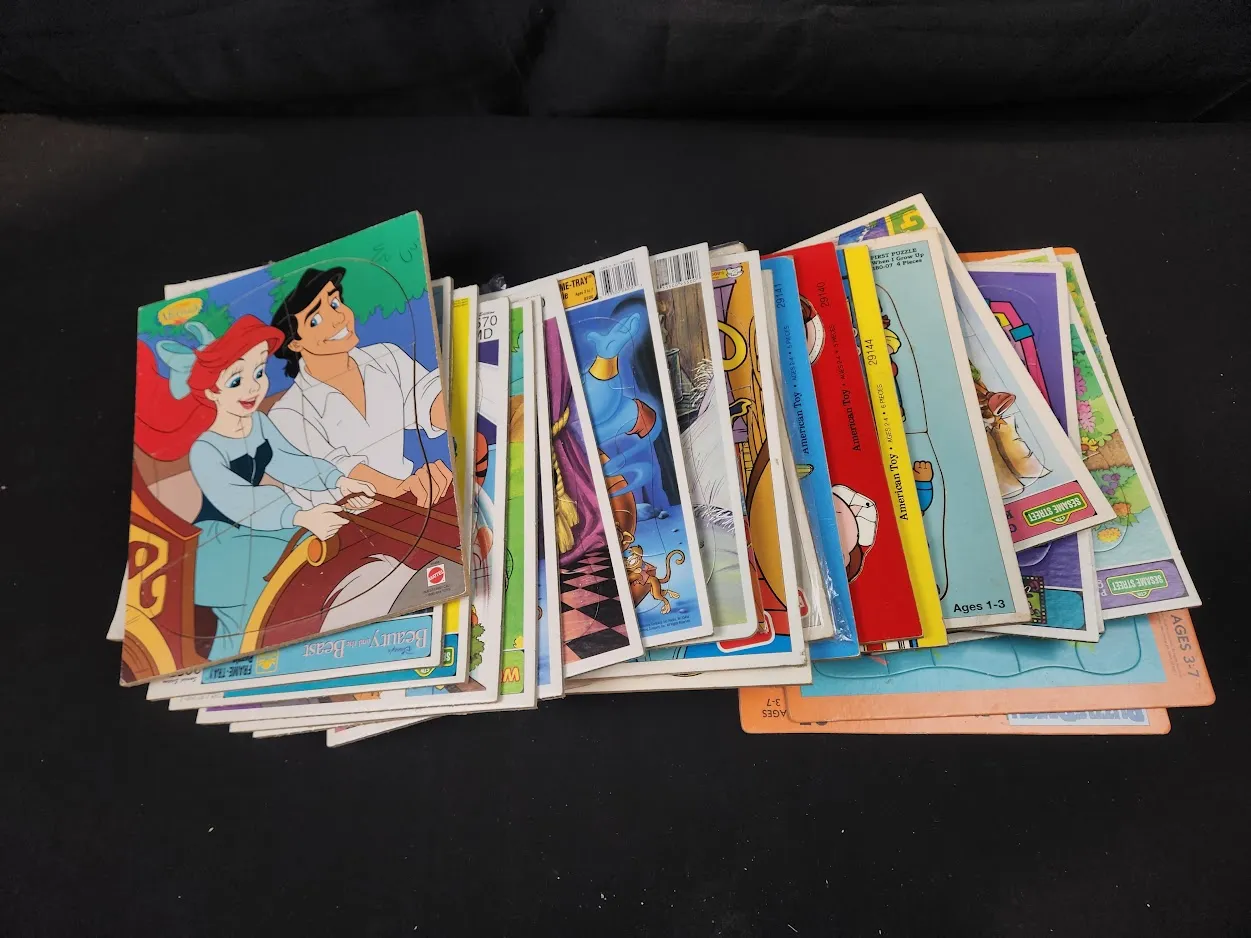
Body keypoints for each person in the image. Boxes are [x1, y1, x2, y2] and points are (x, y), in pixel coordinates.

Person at [134, 315, 378, 659]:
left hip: (263, 527)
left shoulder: (259, 424)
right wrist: (300, 515)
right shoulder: (205, 448)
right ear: (211, 391)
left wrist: (339, 481)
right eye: (236, 380)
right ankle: (232, 656)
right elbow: (237, 500)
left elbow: (292, 463)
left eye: (259, 373)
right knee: (275, 578)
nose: (252, 388)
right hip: (217, 542)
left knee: (326, 547)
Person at [267, 266, 454, 510]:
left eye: (335, 303)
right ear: (294, 344)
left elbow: (428, 401)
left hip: (410, 502)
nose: (338, 318)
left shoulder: (385, 356)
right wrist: (402, 488)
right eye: (315, 320)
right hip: (344, 525)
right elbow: (340, 471)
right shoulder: (287, 415)